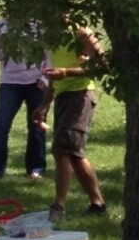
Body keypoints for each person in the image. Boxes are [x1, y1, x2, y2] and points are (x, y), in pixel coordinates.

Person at [44, 21, 109, 224]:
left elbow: (103, 65)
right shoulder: (53, 36)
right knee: (74, 152)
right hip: (64, 96)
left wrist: (67, 72)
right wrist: (44, 107)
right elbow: (55, 76)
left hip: (81, 95)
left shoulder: (81, 32)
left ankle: (59, 206)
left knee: (63, 149)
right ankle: (98, 204)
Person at [0, 17, 51, 180]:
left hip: (36, 81)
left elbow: (49, 56)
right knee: (0, 123)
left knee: (37, 125)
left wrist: (45, 78)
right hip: (10, 82)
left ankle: (36, 169)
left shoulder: (40, 25)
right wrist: (4, 42)